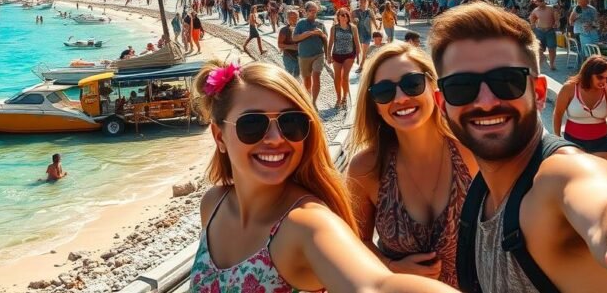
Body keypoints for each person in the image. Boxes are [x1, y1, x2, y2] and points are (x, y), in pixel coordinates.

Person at [428, 3, 607, 293]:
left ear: (539, 92)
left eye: (507, 82)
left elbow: (601, 201)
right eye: (461, 86)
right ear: (442, 104)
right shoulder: (482, 192)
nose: (485, 101)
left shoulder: (562, 175)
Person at [189, 60, 457, 293]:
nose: (275, 139)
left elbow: (375, 286)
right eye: (252, 125)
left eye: (291, 123)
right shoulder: (213, 204)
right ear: (219, 136)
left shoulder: (307, 225)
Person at [347, 42, 478, 286]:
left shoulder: (472, 149)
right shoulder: (366, 168)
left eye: (412, 84)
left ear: (433, 86)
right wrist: (390, 267)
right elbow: (353, 243)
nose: (400, 98)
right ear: (374, 103)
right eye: (384, 91)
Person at [552, 55, 607, 158]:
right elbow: (558, 114)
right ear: (589, 74)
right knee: (575, 173)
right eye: (600, 77)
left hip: (601, 142)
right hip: (573, 141)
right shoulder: (570, 88)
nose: (604, 81)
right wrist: (557, 139)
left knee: (599, 173)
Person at [292, 1, 327, 105]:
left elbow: (326, 39)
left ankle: (314, 102)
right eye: (311, 11)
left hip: (318, 55)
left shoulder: (320, 24)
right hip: (304, 56)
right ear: (306, 12)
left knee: (316, 76)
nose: (313, 13)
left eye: (315, 11)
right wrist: (309, 33)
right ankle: (308, 98)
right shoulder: (301, 23)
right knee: (307, 80)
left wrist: (322, 35)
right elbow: (294, 38)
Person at [327, 8, 362, 109]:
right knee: (337, 77)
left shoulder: (353, 27)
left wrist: (358, 55)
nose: (344, 17)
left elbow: (357, 42)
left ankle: (345, 98)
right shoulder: (334, 28)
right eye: (342, 15)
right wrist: (328, 55)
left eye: (346, 15)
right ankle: (338, 98)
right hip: (337, 54)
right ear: (338, 16)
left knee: (345, 77)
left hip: (349, 55)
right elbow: (330, 43)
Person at [528, 0, 559, 71]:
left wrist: (556, 23)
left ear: (543, 1)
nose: (537, 4)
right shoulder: (535, 10)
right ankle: (540, 63)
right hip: (539, 31)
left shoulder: (551, 8)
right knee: (539, 48)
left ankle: (552, 64)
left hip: (549, 30)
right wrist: (532, 25)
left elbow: (557, 18)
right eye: (536, 2)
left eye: (539, 2)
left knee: (552, 48)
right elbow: (532, 18)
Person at [352, 0, 380, 72]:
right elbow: (351, 21)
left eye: (364, 1)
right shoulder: (355, 11)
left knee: (364, 51)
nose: (362, 3)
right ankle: (365, 63)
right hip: (358, 33)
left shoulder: (369, 11)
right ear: (359, 2)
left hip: (367, 33)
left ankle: (361, 66)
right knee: (360, 50)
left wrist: (376, 26)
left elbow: (373, 19)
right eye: (361, 1)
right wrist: (354, 20)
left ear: (366, 2)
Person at [277, 10, 300, 79]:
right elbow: (279, 45)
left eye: (295, 17)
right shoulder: (284, 30)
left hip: (300, 57)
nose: (293, 19)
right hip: (288, 57)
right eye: (291, 17)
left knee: (297, 75)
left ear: (298, 18)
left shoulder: (301, 28)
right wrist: (292, 47)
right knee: (289, 76)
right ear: (287, 19)